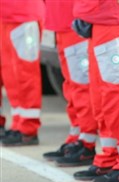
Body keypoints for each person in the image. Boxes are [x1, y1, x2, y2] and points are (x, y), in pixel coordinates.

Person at [71, 0, 119, 182]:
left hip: (111, 22)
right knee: (103, 99)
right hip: (99, 21)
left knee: (118, 98)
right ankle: (110, 156)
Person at [42, 0, 97, 166]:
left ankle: (86, 142)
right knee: (71, 86)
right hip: (62, 21)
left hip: (75, 22)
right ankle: (77, 136)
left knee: (80, 86)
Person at [0, 0, 45, 146]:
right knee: (12, 76)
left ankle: (28, 128)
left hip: (24, 15)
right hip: (7, 15)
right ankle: (19, 124)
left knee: (25, 75)